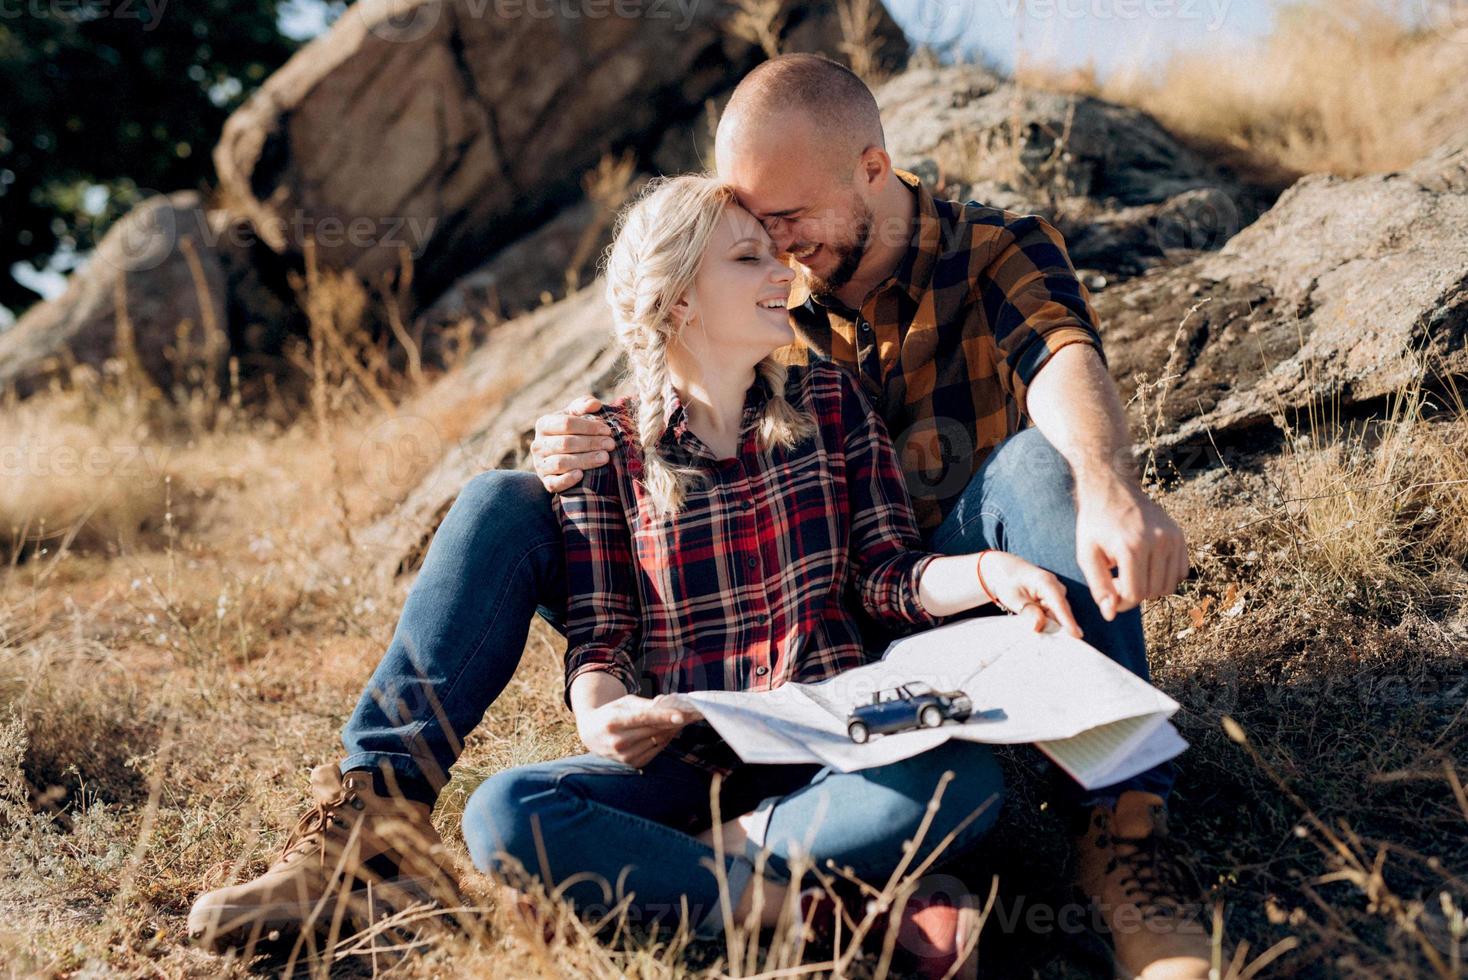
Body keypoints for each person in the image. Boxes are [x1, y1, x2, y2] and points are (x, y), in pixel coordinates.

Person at [190, 54, 1213, 979]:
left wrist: (1096, 493)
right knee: (502, 514)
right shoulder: (756, 328)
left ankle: (1121, 832)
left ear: (871, 167)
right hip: (718, 718)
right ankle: (369, 821)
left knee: (1041, 492)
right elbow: (611, 604)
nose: (780, 255)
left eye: (786, 223)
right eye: (752, 239)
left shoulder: (962, 274)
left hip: (915, 643)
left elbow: (1045, 382)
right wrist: (577, 500)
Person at [460, 171, 1083, 977]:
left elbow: (884, 574)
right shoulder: (605, 448)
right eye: (749, 258)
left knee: (960, 781)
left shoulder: (833, 400)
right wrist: (599, 711)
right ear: (679, 299)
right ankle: (831, 916)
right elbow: (602, 636)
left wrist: (989, 573)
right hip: (689, 759)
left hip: (836, 747)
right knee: (505, 812)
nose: (783, 272)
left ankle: (677, 867)